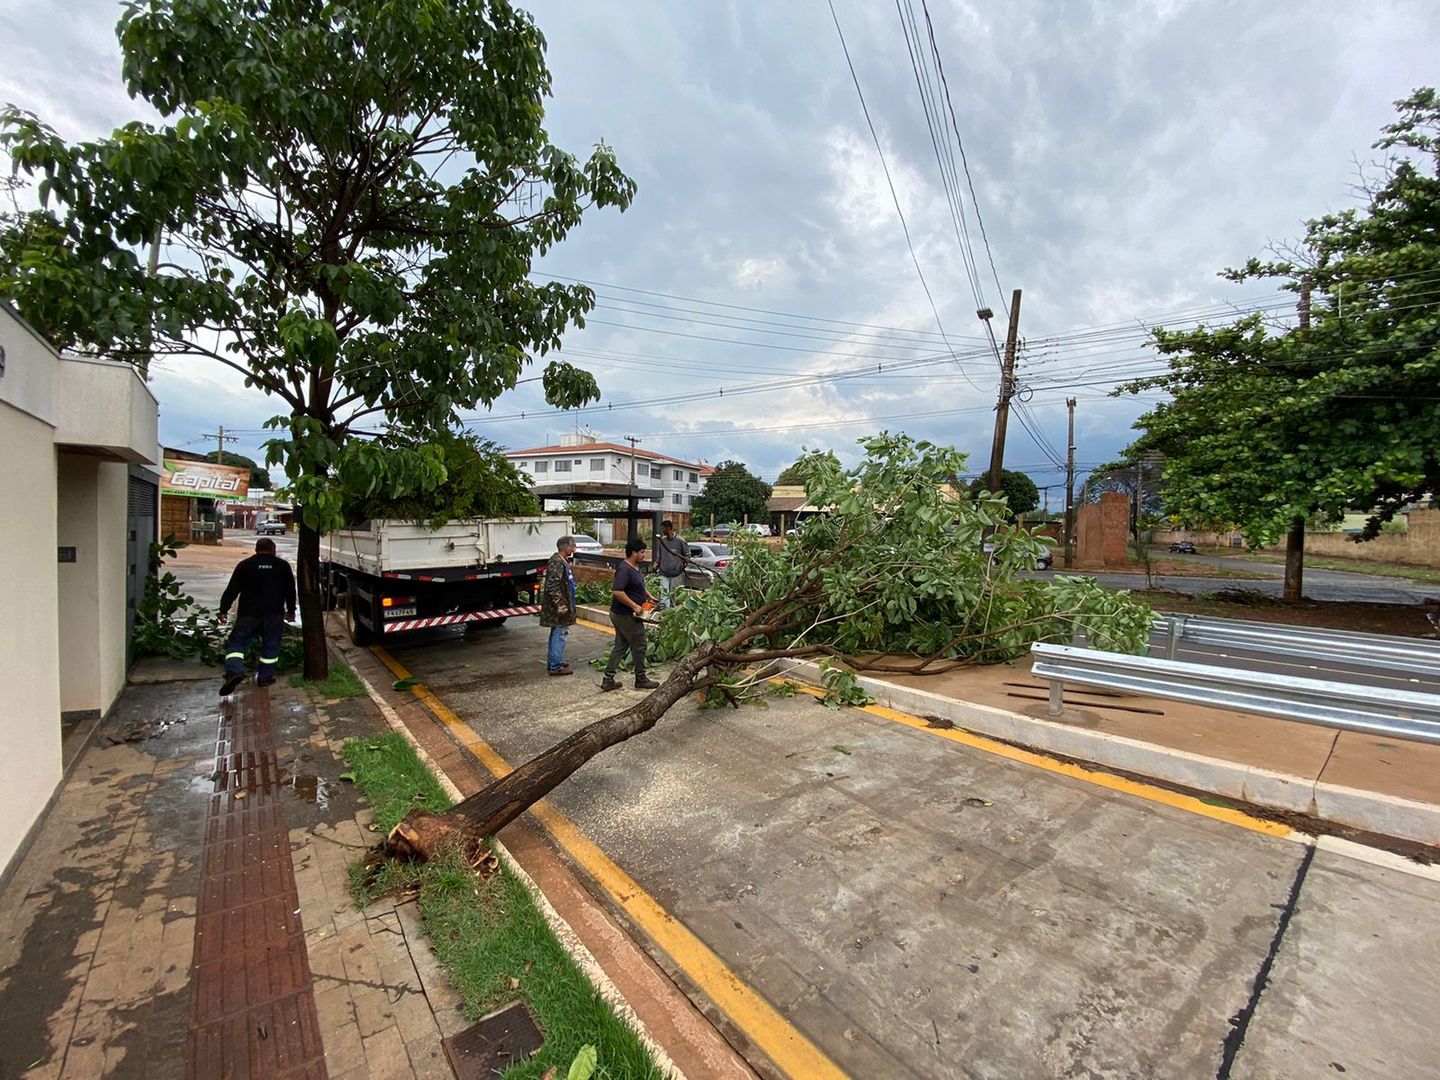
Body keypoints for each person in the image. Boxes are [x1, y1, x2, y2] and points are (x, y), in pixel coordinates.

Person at [217, 537, 296, 695]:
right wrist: (291, 610)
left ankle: (235, 670)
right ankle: (265, 678)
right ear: (273, 550)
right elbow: (290, 591)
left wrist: (223, 609)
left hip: (248, 615)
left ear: (256, 550)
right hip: (273, 614)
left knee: (237, 644)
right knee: (271, 645)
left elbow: (232, 590)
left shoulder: (245, 565)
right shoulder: (282, 566)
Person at [601, 536, 660, 692]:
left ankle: (608, 679)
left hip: (624, 614)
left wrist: (648, 595)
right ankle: (640, 678)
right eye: (642, 552)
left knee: (620, 646)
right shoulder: (625, 569)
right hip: (625, 614)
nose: (644, 555)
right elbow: (617, 591)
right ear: (633, 553)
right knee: (640, 643)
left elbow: (638, 585)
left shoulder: (635, 567)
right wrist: (635, 606)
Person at [539, 535, 578, 676]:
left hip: (563, 605)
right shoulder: (556, 562)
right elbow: (552, 586)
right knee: (560, 633)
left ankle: (555, 660)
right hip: (558, 608)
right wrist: (561, 605)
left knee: (558, 632)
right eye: (572, 546)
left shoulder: (561, 561)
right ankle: (556, 665)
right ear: (565, 546)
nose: (574, 548)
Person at [654, 519, 689, 609]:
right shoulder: (662, 540)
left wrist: (682, 566)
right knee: (664, 594)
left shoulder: (680, 541)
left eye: (663, 529)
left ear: (668, 528)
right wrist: (656, 564)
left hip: (676, 573)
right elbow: (659, 555)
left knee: (673, 595)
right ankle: (664, 612)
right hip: (664, 572)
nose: (662, 531)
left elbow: (687, 555)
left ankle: (672, 613)